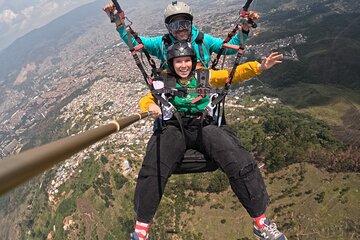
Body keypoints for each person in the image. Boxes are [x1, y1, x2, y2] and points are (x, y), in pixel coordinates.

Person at [130, 41, 287, 240]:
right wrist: (149, 107)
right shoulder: (164, 81)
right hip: (174, 128)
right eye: (178, 62)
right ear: (171, 64)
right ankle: (142, 227)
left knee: (238, 159)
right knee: (154, 165)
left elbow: (231, 75)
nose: (183, 65)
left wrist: (259, 67)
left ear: (193, 61)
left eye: (187, 60)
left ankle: (260, 221)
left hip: (203, 124)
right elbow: (149, 98)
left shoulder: (204, 76)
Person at [103, 1, 259, 69]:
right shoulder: (161, 43)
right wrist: (118, 22)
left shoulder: (203, 40)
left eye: (184, 24)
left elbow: (230, 48)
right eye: (175, 26)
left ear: (191, 24)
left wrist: (244, 29)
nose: (181, 30)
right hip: (172, 96)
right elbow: (135, 42)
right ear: (168, 28)